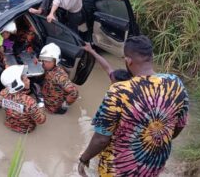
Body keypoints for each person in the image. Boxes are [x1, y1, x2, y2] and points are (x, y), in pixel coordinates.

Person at [78, 35, 189, 177]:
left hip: (118, 170)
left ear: (128, 61)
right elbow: (179, 125)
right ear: (151, 56)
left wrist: (84, 158)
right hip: (153, 166)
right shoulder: (175, 84)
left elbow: (101, 139)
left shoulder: (118, 92)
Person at [0, 65, 46, 133]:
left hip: (9, 124)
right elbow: (41, 120)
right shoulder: (29, 102)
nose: (29, 80)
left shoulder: (2, 93)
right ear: (19, 84)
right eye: (26, 79)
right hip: (26, 129)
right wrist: (41, 102)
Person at [39, 43, 78, 114]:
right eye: (43, 60)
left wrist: (65, 106)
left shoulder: (60, 76)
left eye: (48, 61)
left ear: (55, 61)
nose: (44, 63)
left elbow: (74, 93)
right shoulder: (49, 66)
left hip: (53, 107)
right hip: (47, 96)